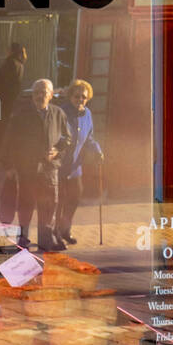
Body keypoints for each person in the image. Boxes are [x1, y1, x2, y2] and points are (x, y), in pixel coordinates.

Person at [1, 78, 72, 252]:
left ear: (51, 95)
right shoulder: (21, 114)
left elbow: (67, 138)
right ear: (32, 95)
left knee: (49, 205)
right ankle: (23, 238)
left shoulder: (58, 113)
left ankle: (45, 240)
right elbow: (9, 141)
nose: (40, 95)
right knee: (26, 204)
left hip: (49, 169)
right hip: (27, 168)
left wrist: (57, 151)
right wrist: (8, 165)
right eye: (37, 92)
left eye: (44, 92)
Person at [55, 79, 103, 246]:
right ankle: (56, 234)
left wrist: (97, 150)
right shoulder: (62, 111)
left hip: (75, 167)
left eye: (83, 96)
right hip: (59, 166)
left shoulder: (87, 114)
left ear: (88, 98)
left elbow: (89, 138)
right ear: (70, 96)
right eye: (77, 96)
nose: (80, 99)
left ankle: (65, 230)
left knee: (74, 199)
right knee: (59, 201)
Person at [0, 42, 27, 121]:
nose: (6, 51)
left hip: (5, 95)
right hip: (12, 95)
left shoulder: (10, 62)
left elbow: (4, 79)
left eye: (8, 49)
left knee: (1, 118)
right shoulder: (20, 63)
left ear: (12, 51)